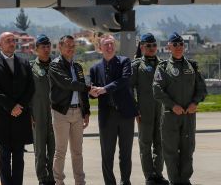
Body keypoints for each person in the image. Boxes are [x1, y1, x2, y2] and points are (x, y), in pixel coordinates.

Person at [153, 32, 207, 185]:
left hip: (188, 116)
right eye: (175, 44)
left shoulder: (192, 66)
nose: (178, 47)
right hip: (171, 115)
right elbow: (157, 90)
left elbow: (202, 89)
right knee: (170, 151)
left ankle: (185, 180)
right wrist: (173, 105)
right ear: (169, 47)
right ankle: (175, 181)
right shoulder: (163, 67)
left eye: (181, 44)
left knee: (188, 150)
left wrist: (195, 103)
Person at [0, 32, 35, 185]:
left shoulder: (24, 63)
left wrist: (20, 106)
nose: (12, 43)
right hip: (2, 118)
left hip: (20, 116)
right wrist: (11, 106)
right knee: (5, 157)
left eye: (13, 40)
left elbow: (30, 87)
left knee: (19, 157)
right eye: (8, 41)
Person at [89, 34, 138, 185]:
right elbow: (91, 90)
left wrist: (103, 89)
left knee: (125, 153)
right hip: (107, 116)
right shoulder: (94, 68)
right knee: (107, 154)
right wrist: (92, 92)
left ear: (115, 46)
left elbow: (124, 81)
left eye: (111, 44)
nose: (109, 47)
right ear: (100, 48)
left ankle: (125, 181)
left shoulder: (125, 62)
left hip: (125, 115)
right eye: (106, 45)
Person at [49, 35, 91, 185]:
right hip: (61, 112)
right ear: (60, 47)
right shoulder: (55, 66)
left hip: (78, 113)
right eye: (67, 45)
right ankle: (58, 182)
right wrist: (88, 88)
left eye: (73, 46)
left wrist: (86, 111)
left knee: (77, 152)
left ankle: (80, 182)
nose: (71, 48)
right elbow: (68, 84)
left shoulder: (78, 67)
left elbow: (82, 91)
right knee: (60, 151)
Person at [131, 33, 169, 185]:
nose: (152, 48)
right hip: (144, 110)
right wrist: (135, 109)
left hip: (161, 109)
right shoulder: (137, 65)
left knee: (160, 143)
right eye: (148, 45)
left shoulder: (163, 64)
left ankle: (158, 173)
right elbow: (130, 88)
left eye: (154, 45)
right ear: (142, 47)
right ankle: (149, 175)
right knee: (145, 143)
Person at [30, 34, 55, 185]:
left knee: (54, 148)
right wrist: (28, 113)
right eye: (43, 47)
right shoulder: (31, 67)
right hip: (38, 112)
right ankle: (42, 178)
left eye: (48, 46)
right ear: (36, 49)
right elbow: (26, 92)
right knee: (40, 149)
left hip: (55, 113)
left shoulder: (57, 66)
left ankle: (52, 176)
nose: (46, 49)